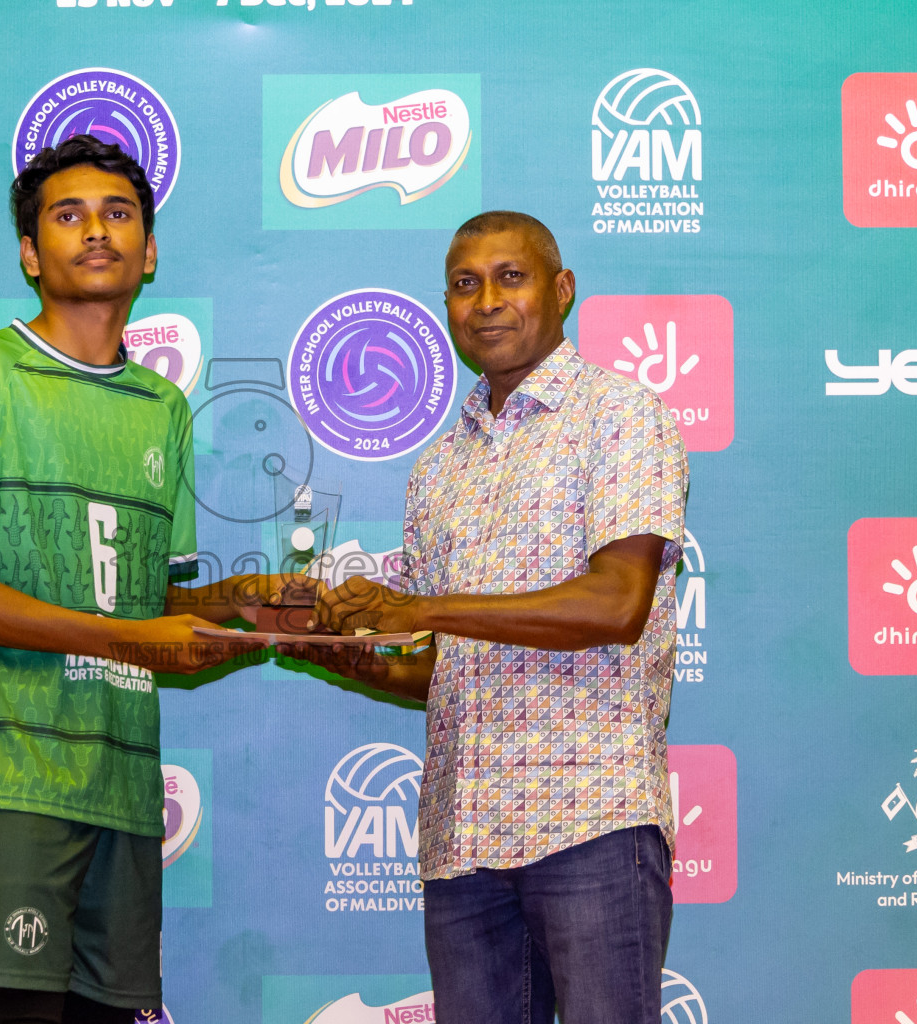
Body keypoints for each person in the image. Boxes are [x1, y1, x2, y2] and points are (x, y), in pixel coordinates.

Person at [0, 135, 288, 1024]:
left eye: (118, 214)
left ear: (150, 252)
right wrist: (126, 637)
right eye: (66, 216)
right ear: (31, 254)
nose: (96, 232)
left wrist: (244, 606)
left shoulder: (164, 406)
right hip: (10, 769)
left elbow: (146, 607)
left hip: (122, 786)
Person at [284, 211, 689, 1024]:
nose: (487, 301)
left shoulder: (620, 416)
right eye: (465, 284)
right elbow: (446, 665)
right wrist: (342, 652)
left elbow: (615, 604)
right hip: (462, 842)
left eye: (512, 277)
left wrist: (419, 606)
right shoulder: (437, 467)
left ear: (562, 289)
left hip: (591, 823)